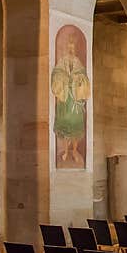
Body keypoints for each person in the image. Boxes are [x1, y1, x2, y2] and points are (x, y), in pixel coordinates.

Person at [50, 36, 90, 165]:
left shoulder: (78, 62)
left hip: (75, 98)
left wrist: (78, 79)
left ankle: (74, 150)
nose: (71, 50)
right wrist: (63, 79)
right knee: (65, 125)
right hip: (65, 98)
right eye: (69, 47)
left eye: (73, 47)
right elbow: (56, 73)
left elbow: (84, 76)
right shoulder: (62, 61)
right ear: (67, 48)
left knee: (76, 125)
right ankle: (66, 150)